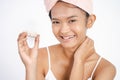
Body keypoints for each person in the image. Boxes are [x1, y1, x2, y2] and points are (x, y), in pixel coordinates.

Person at [17, 0, 116, 80]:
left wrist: (79, 61)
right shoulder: (40, 56)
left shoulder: (105, 69)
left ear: (90, 21)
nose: (63, 31)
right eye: (56, 22)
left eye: (72, 20)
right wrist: (30, 66)